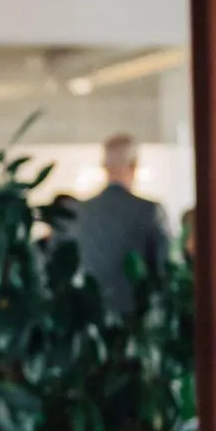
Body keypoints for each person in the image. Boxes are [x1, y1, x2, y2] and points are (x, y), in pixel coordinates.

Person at [65, 134, 171, 316]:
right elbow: (163, 271)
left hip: (87, 320)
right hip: (136, 320)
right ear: (134, 165)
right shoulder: (149, 211)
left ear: (104, 167)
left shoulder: (77, 213)